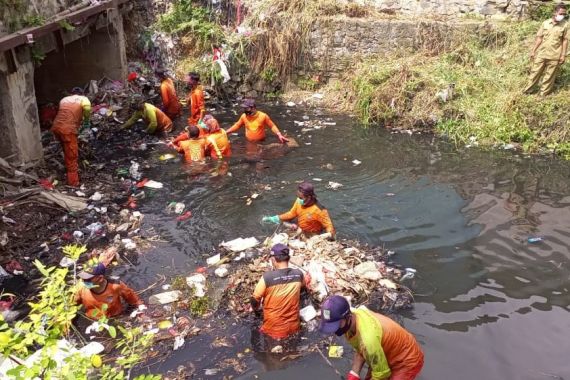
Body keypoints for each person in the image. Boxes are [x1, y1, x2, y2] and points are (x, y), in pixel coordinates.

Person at [319, 295, 424, 380]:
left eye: (336, 325)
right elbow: (361, 351)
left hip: (406, 360)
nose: (334, 330)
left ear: (347, 317)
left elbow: (382, 374)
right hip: (382, 353)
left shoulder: (368, 339)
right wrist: (354, 374)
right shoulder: (352, 320)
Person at [251, 244, 310, 341]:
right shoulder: (299, 274)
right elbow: (303, 290)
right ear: (289, 258)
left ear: (273, 260)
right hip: (294, 328)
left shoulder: (267, 277)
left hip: (273, 330)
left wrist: (256, 310)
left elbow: (255, 299)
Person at [48, 88, 91, 187]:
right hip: (68, 130)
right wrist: (86, 121)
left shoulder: (64, 99)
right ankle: (73, 183)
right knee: (72, 156)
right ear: (82, 94)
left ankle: (67, 172)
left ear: (71, 93)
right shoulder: (83, 99)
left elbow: (66, 113)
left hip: (56, 127)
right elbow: (87, 109)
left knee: (65, 149)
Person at [524, 3, 569, 96]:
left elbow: (565, 40)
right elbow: (539, 38)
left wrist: (563, 55)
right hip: (542, 53)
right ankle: (528, 91)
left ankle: (543, 94)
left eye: (564, 14)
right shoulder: (545, 23)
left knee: (549, 76)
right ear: (554, 12)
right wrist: (533, 50)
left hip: (555, 55)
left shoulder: (565, 25)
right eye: (561, 13)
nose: (562, 16)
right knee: (535, 72)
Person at [262, 181, 335, 238]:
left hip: (312, 233)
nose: (298, 199)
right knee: (282, 224)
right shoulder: (298, 201)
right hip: (300, 227)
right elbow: (291, 214)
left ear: (309, 197)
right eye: (298, 196)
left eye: (301, 198)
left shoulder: (320, 210)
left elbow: (329, 226)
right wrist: (275, 218)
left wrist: (329, 237)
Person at [75, 263, 144, 320]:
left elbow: (134, 300)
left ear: (100, 278)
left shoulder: (115, 286)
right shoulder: (81, 288)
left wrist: (142, 313)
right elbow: (72, 305)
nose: (84, 281)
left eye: (88, 280)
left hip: (114, 318)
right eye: (83, 279)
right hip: (91, 320)